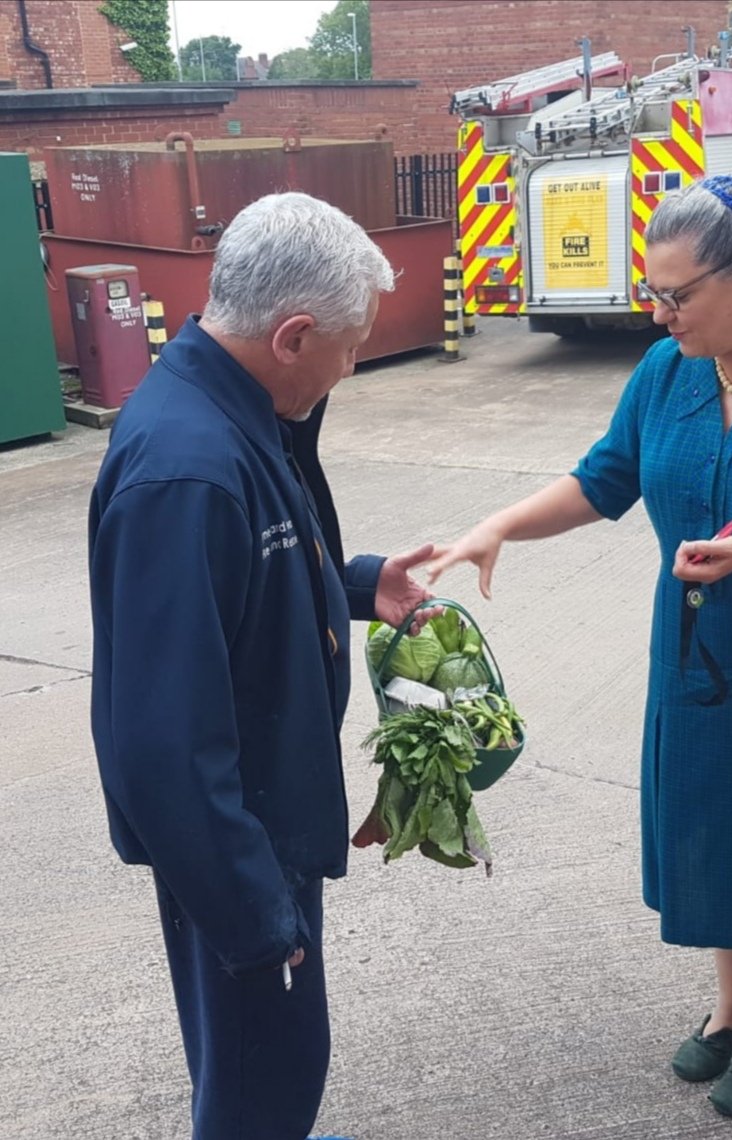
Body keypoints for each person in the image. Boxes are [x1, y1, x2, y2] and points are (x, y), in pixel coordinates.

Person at [428, 176, 732, 1120]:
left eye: (675, 295)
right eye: (650, 293)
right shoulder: (669, 373)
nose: (658, 315)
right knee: (717, 840)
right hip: (700, 667)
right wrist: (496, 526)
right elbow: (604, 479)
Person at [88, 192, 438, 1140]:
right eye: (351, 343)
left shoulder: (235, 413)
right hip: (240, 848)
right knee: (261, 1077)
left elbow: (255, 576)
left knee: (274, 1068)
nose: (353, 363)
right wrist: (256, 922)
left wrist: (362, 583)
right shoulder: (188, 469)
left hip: (260, 821)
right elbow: (160, 743)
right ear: (293, 336)